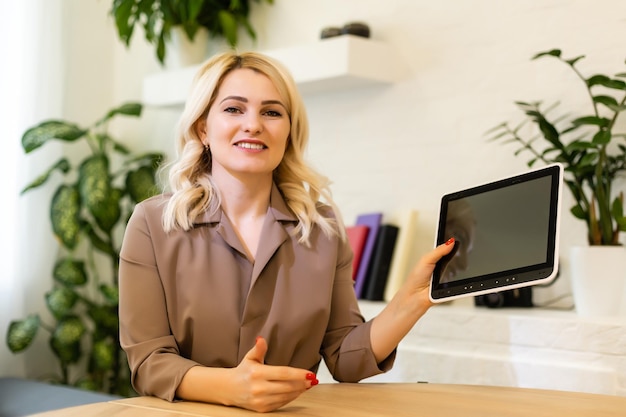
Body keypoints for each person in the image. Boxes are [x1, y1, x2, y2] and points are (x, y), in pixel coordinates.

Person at [118, 51, 455, 413]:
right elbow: (150, 361)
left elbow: (346, 357)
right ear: (203, 128)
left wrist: (414, 298)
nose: (253, 124)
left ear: (289, 129)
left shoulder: (322, 228)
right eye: (234, 109)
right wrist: (230, 387)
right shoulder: (152, 223)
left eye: (272, 112)